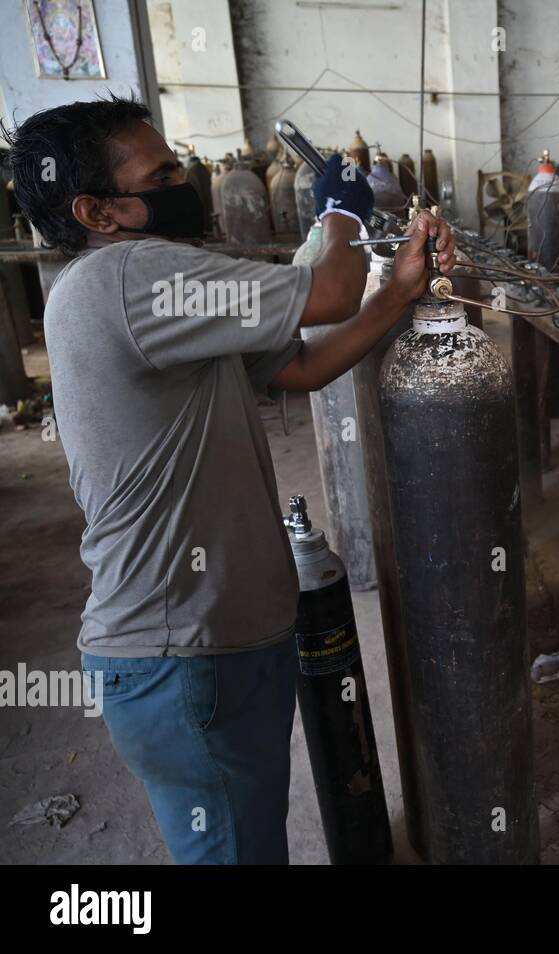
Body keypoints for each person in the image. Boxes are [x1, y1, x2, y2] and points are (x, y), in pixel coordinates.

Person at [3, 96, 453, 864]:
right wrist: (340, 211)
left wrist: (400, 291)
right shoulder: (128, 275)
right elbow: (329, 292)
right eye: (164, 172)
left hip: (210, 646)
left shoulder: (154, 299)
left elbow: (302, 365)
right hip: (185, 653)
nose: (187, 183)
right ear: (97, 211)